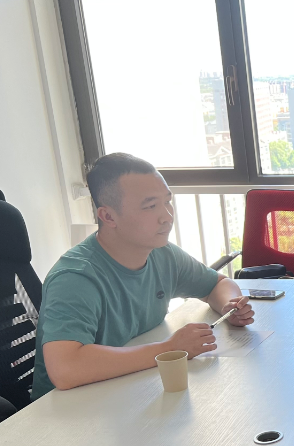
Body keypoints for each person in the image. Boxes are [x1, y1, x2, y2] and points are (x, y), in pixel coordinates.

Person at [30, 153, 254, 400]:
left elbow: (217, 284)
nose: (166, 216)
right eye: (150, 206)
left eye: (167, 202)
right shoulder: (75, 278)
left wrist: (229, 306)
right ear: (108, 216)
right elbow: (65, 368)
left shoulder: (162, 254)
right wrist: (169, 349)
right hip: (68, 409)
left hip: (129, 390)